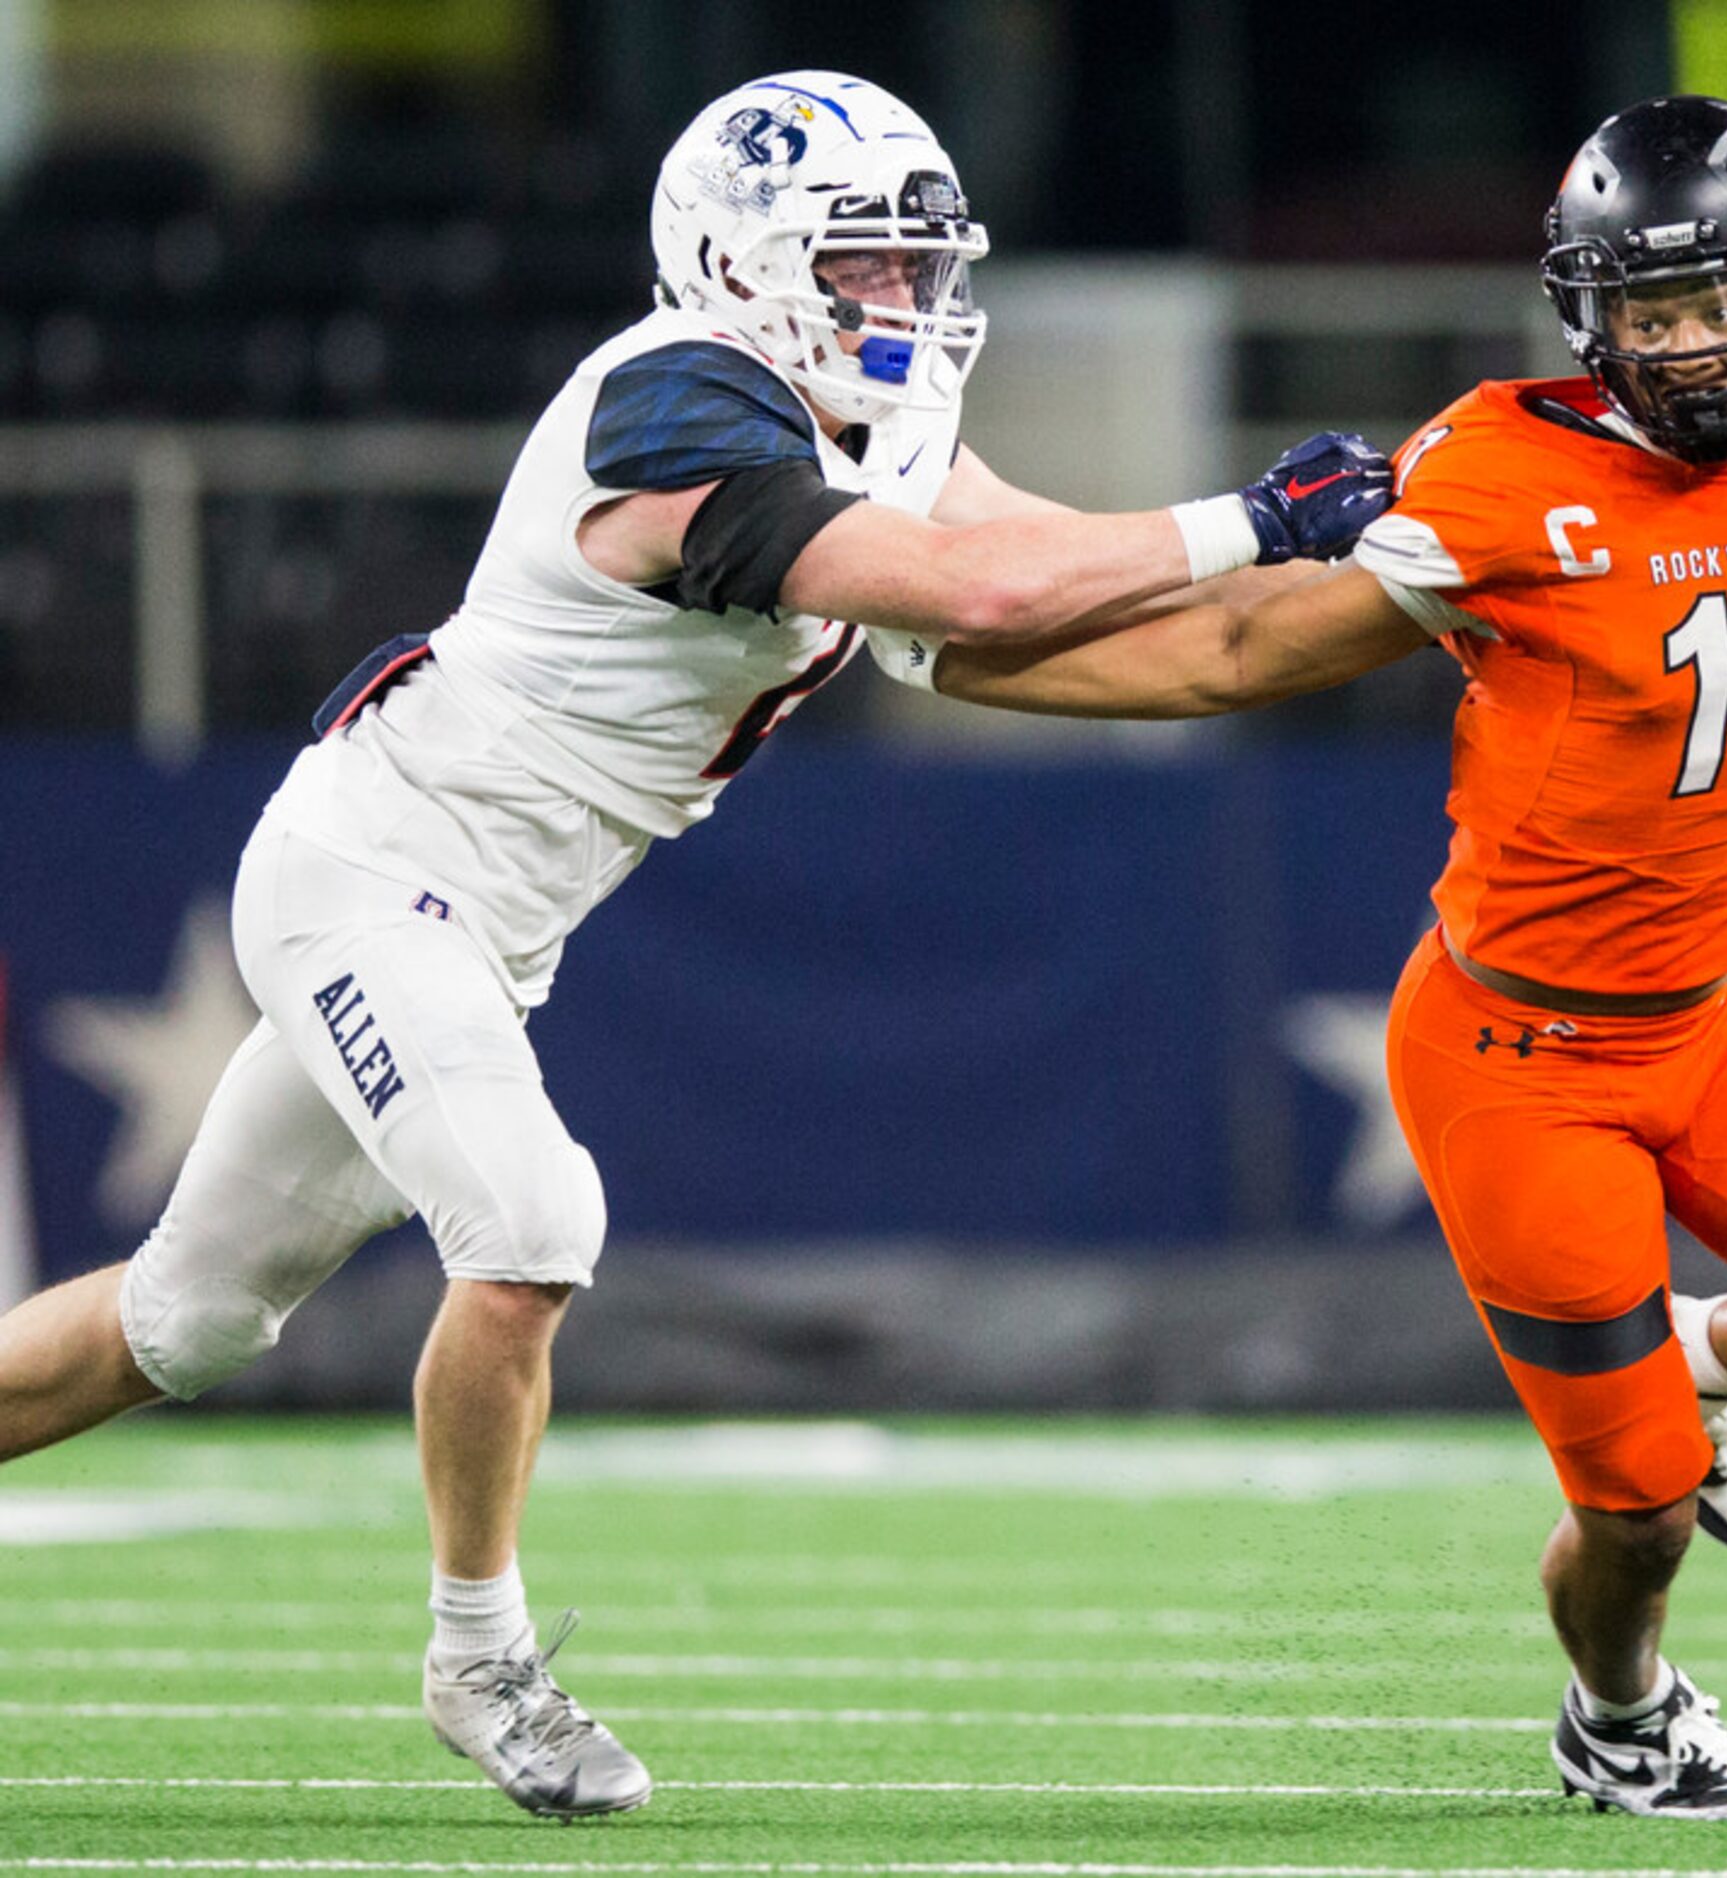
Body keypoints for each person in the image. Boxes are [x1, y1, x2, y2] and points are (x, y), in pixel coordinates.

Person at [0, 72, 1389, 1819]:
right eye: (864, 266)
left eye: (915, 265)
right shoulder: (676, 416)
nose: (904, 304)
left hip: (491, 926)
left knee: (176, 1325)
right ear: (739, 259)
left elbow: (1029, 567)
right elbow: (976, 601)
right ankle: (480, 1655)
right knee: (531, 1228)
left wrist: (1394, 587)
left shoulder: (870, 399)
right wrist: (1258, 515)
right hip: (371, 872)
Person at [893, 95, 1727, 1822]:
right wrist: (961, 664)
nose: (1692, 342)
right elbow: (1225, 645)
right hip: (1522, 1061)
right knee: (1641, 1501)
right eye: (1648, 311)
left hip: (1723, 1015)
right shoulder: (1500, 478)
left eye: (1722, 297)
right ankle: (1624, 1717)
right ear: (1590, 317)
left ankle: (1710, 1348)